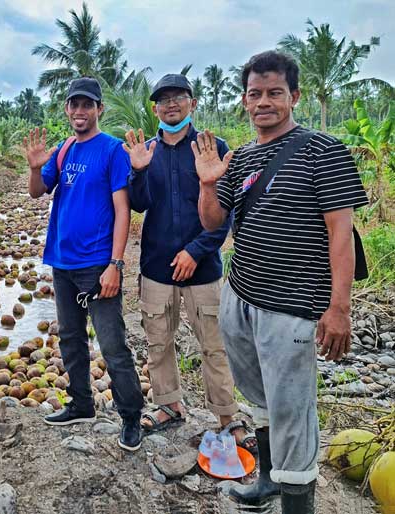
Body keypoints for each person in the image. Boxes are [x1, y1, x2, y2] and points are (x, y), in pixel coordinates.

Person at [194, 51, 368, 513]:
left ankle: (297, 504)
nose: (264, 102)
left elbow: (341, 237)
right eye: (255, 94)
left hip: (290, 307)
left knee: (294, 412)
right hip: (241, 296)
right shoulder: (242, 156)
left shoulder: (323, 151)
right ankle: (268, 482)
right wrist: (209, 183)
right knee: (260, 397)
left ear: (294, 96)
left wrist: (339, 309)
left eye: (274, 93)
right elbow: (212, 222)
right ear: (245, 101)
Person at [125, 74, 255, 451]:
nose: (171, 104)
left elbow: (224, 215)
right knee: (158, 341)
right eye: (163, 99)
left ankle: (229, 418)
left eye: (178, 97)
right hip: (156, 266)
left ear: (192, 103)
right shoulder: (147, 151)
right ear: (155, 108)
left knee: (214, 344)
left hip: (204, 270)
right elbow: (141, 204)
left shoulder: (212, 148)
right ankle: (169, 406)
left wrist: (196, 251)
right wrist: (138, 171)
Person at [23, 77, 145, 452]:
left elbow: (123, 210)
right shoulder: (62, 152)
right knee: (71, 337)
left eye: (87, 105)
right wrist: (33, 168)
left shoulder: (111, 151)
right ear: (67, 109)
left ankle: (130, 418)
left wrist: (115, 264)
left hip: (97, 266)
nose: (80, 111)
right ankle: (81, 403)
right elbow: (36, 191)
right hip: (62, 262)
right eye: (74, 105)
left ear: (98, 110)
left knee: (112, 344)